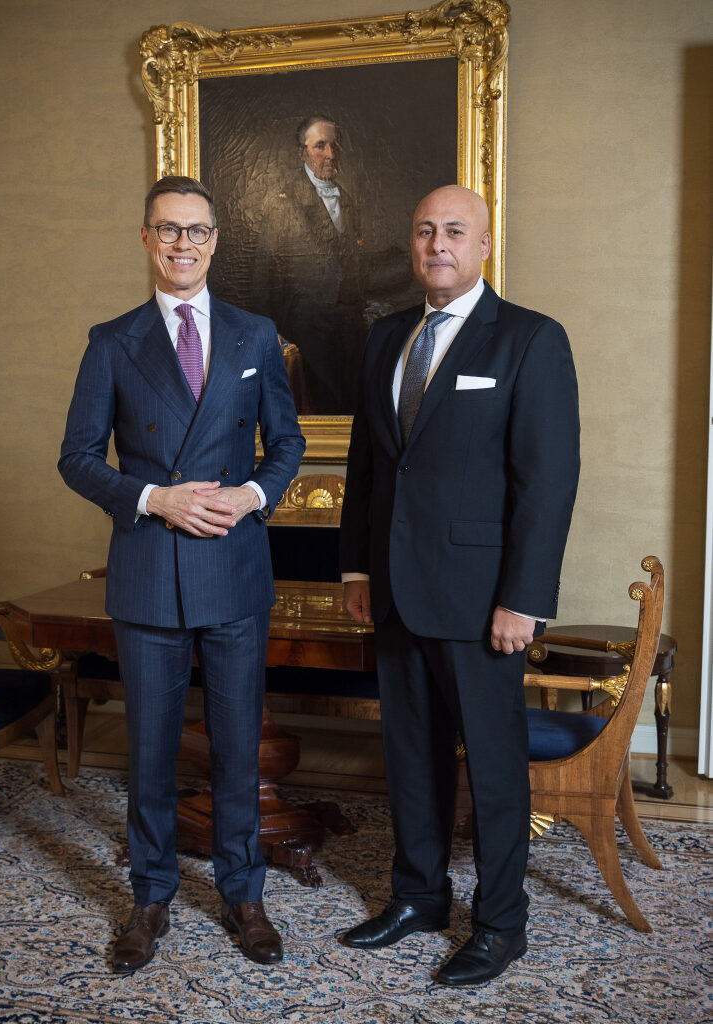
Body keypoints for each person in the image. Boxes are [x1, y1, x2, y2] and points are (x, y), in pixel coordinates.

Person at [59, 175, 305, 973]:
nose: (182, 245)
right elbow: (77, 459)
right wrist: (155, 496)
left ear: (215, 239)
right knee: (151, 750)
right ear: (144, 238)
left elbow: (287, 444)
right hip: (148, 572)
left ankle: (243, 894)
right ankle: (150, 896)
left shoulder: (254, 333)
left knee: (237, 747)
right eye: (167, 230)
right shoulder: (112, 340)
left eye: (196, 231)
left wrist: (251, 493)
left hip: (233, 567)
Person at [339, 185, 580, 986]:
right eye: (423, 231)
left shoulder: (528, 340)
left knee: (494, 767)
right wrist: (356, 567)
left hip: (483, 602)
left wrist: (524, 598)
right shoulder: (384, 340)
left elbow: (545, 482)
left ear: (482, 245)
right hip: (397, 589)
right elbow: (368, 470)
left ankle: (500, 923)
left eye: (453, 231)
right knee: (409, 755)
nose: (436, 243)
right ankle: (418, 897)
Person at [251, 115, 366, 414]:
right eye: (320, 146)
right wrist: (270, 331)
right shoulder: (282, 202)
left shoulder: (349, 200)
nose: (329, 154)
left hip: (349, 326)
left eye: (334, 145)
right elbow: (263, 275)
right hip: (306, 328)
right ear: (302, 152)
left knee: (353, 401)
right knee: (321, 402)